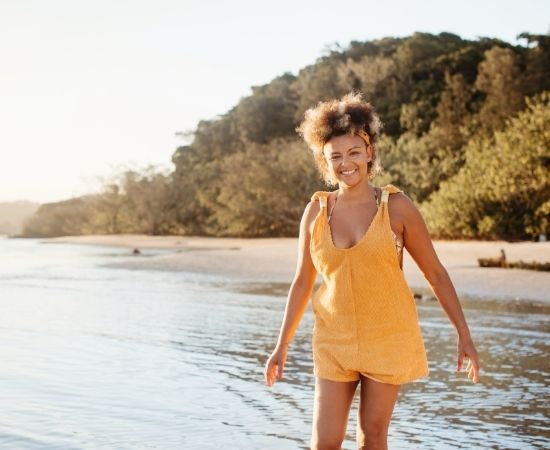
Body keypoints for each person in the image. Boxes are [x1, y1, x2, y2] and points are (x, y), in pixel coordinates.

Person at [263, 92, 481, 450]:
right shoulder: (316, 211)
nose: (346, 163)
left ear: (369, 152)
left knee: (372, 438)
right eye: (335, 157)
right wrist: (280, 346)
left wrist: (464, 334)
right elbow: (303, 281)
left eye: (353, 153)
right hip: (334, 339)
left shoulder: (396, 207)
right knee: (324, 442)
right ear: (324, 162)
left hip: (387, 336)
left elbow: (436, 274)